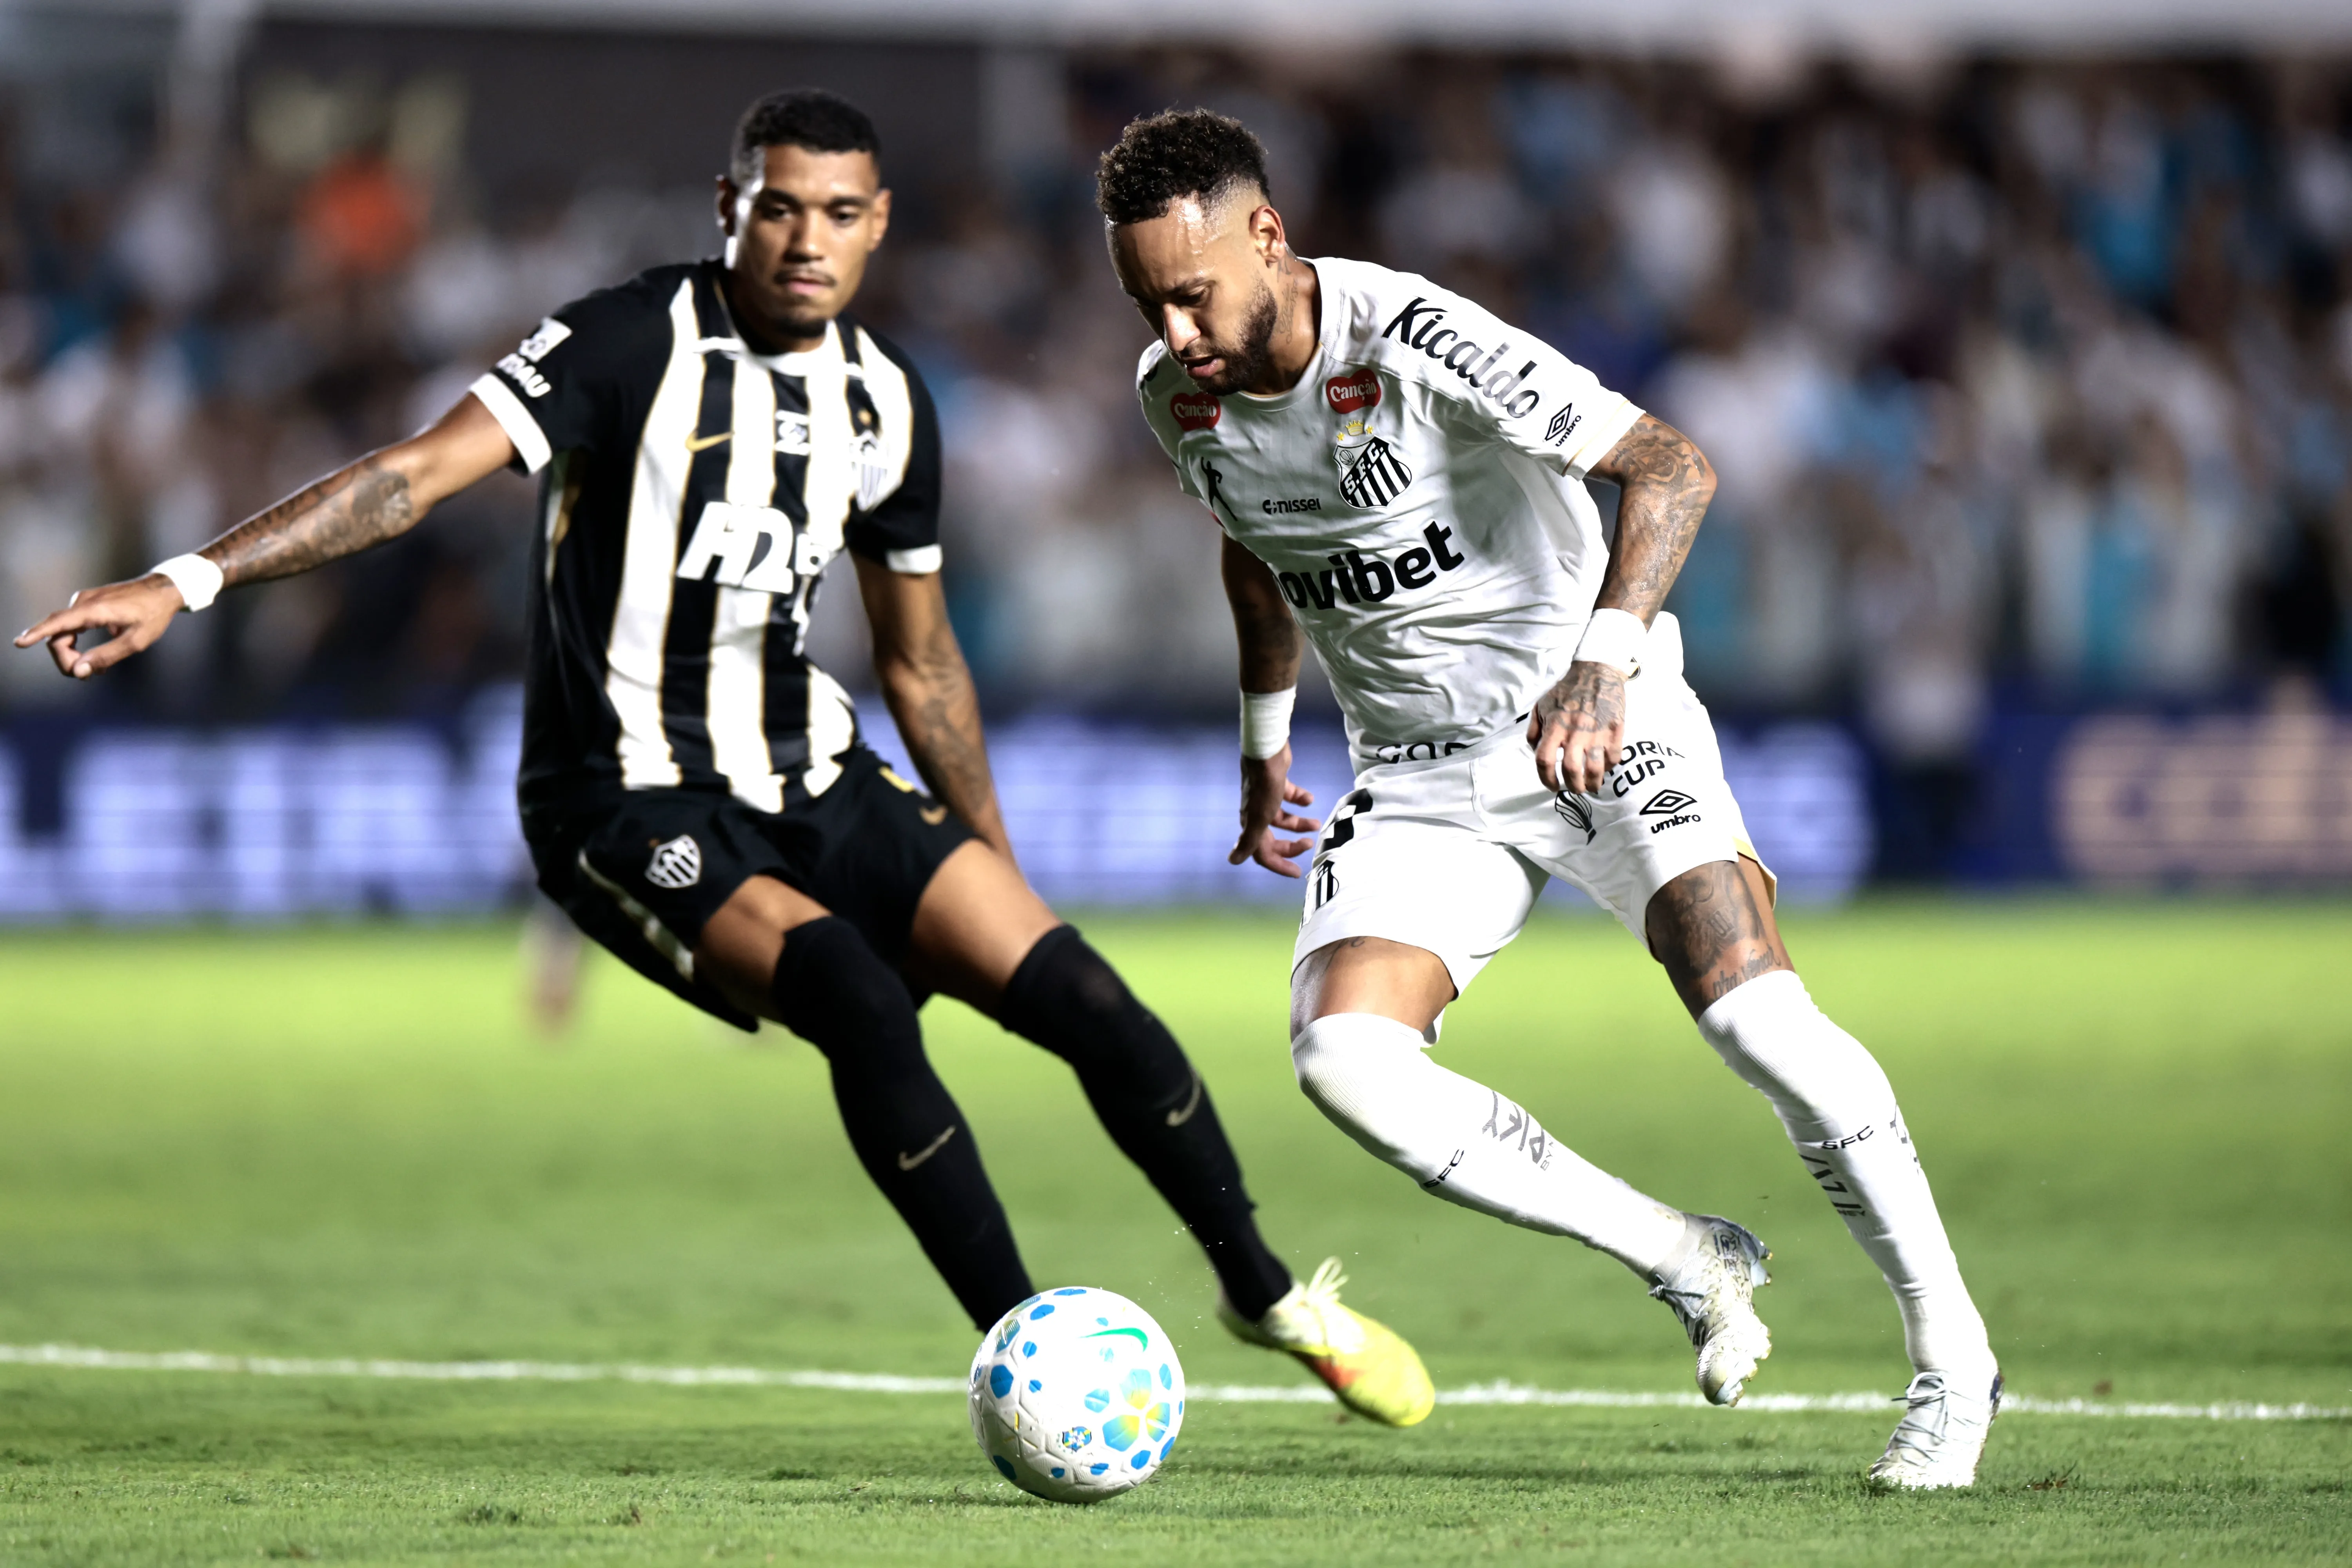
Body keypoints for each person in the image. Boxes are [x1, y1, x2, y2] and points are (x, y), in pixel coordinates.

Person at [16, 89, 1433, 1428]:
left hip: (810, 768)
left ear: (878, 225)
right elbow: (408, 475)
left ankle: (1268, 1299)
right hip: (621, 798)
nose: (805, 240)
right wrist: (187, 582)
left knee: (1090, 1004)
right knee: (859, 1002)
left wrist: (986, 855)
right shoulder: (627, 344)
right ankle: (1034, 1352)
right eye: (778, 209)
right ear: (728, 208)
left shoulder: (886, 401)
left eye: (838, 213)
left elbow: (923, 659)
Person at [1098, 109, 2001, 1488]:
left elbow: (1672, 465)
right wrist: (1263, 733)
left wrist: (1604, 660)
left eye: (1193, 289)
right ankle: (1683, 1255)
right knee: (1345, 1063)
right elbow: (1253, 541)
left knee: (1758, 1018)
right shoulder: (1179, 394)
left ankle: (1954, 1357)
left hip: (1593, 720)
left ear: (1267, 237)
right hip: (1414, 773)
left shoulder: (1413, 340)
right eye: (1147, 300)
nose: (1175, 327)